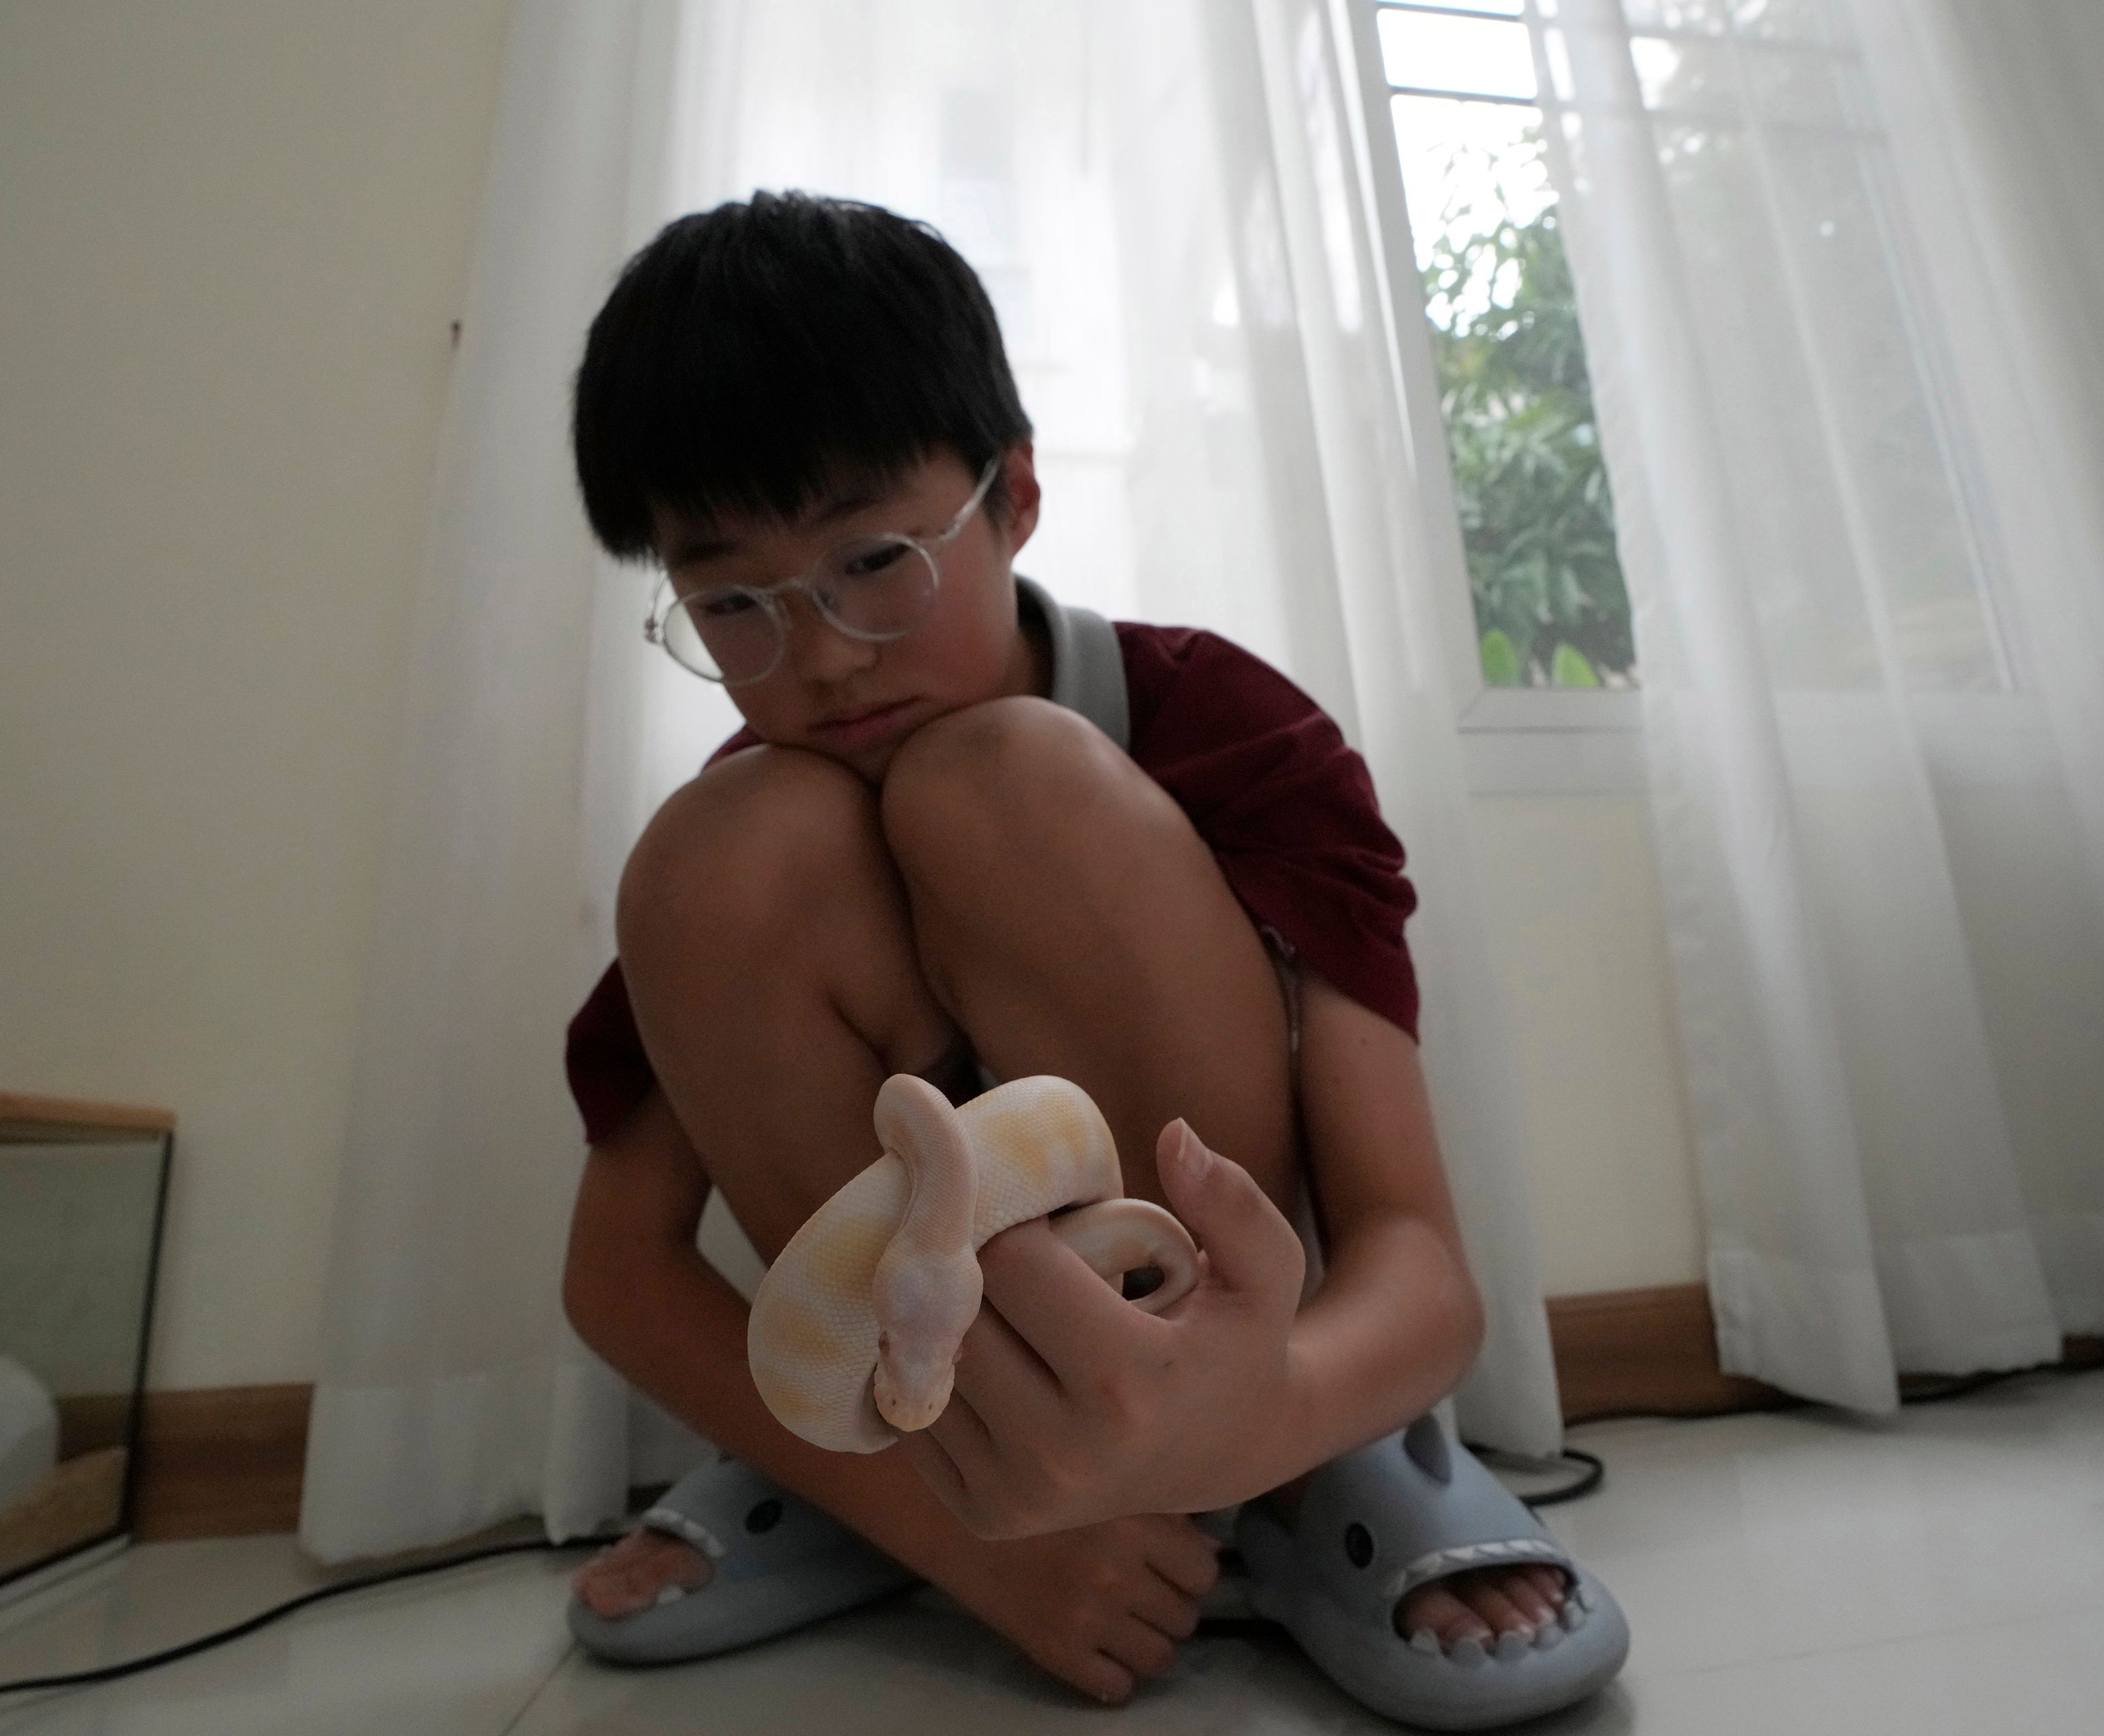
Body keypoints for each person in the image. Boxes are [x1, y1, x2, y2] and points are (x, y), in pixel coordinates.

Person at [555, 190, 1625, 1729]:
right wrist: (955, 1536)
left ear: (1016, 496)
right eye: (734, 600)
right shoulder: (745, 842)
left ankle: (1302, 1470)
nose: (826, 650)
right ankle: (940, 1461)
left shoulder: (1228, 730)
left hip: (1248, 1344)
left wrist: (1266, 1416)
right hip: (937, 1425)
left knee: (1007, 781)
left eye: (874, 558)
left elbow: (1422, 1261)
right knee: (716, 848)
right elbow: (620, 1269)